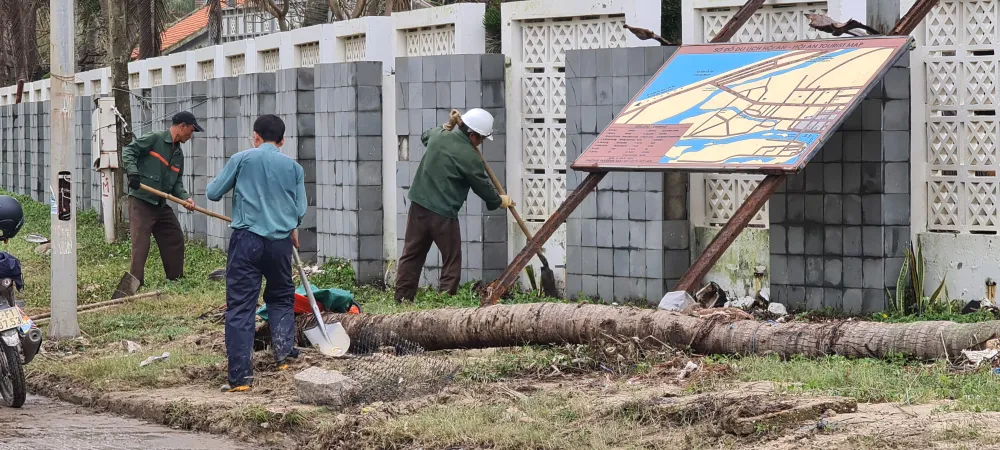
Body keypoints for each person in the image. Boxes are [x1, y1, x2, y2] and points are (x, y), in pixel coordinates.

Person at [207, 114, 307, 393]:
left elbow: (213, 193)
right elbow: (299, 210)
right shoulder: (294, 168)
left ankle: (240, 379)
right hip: (279, 243)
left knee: (240, 306)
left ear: (256, 137)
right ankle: (284, 355)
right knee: (281, 296)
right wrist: (289, 224)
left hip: (247, 241)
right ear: (283, 140)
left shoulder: (242, 159)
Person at [395, 108, 514, 303]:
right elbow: (482, 186)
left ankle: (401, 300)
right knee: (451, 260)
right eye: (481, 139)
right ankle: (444, 305)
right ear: (473, 135)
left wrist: (447, 125)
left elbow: (426, 136)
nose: (481, 143)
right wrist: (499, 200)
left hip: (418, 207)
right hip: (443, 215)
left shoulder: (440, 136)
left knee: (411, 255)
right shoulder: (471, 158)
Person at [122, 111, 201, 286]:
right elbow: (129, 151)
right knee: (141, 244)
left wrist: (185, 198)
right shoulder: (155, 139)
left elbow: (177, 183)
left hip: (160, 204)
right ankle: (135, 283)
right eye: (191, 130)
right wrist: (133, 173)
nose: (191, 134)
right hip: (142, 201)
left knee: (174, 236)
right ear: (182, 126)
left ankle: (175, 279)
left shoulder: (178, 155)